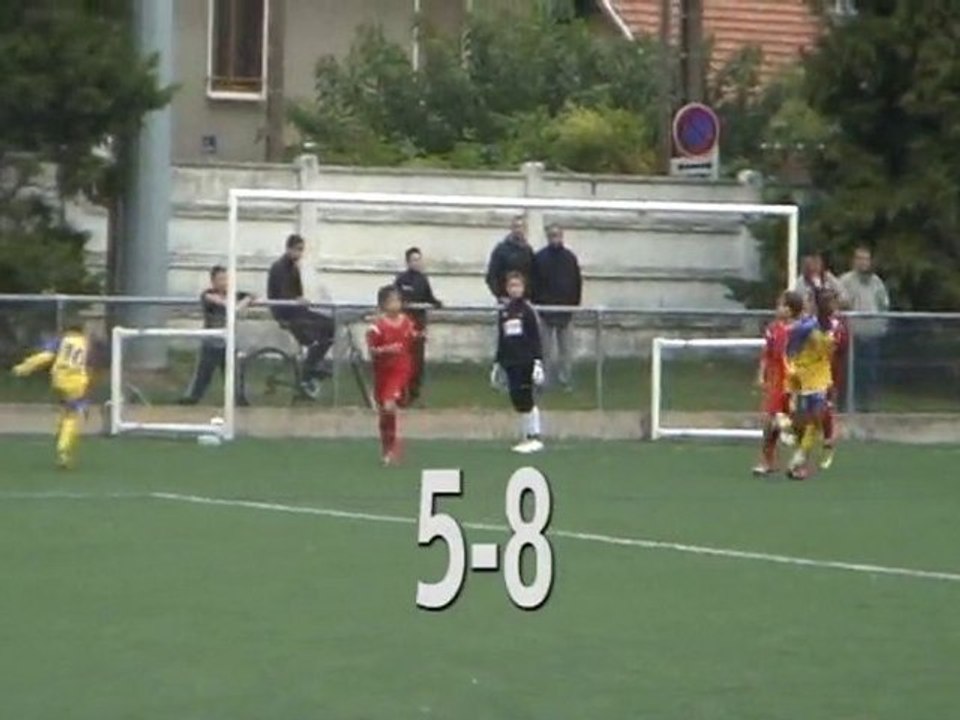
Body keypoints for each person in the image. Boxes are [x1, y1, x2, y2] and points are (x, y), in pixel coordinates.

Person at [10, 324, 92, 468]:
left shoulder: (62, 340)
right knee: (71, 416)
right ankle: (63, 450)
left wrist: (24, 368)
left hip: (59, 378)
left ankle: (63, 434)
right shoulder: (85, 342)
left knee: (67, 411)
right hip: (76, 381)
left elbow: (45, 356)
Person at [267, 234, 335, 394]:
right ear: (289, 249)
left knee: (329, 326)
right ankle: (308, 372)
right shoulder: (279, 267)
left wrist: (301, 299)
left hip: (297, 310)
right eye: (297, 250)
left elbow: (296, 291)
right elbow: (282, 294)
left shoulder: (293, 267)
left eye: (301, 250)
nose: (300, 254)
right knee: (315, 338)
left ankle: (310, 369)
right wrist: (297, 299)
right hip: (286, 313)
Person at [180, 265, 253, 405]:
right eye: (220, 279)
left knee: (233, 375)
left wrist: (246, 299)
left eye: (226, 279)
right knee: (203, 375)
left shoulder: (234, 294)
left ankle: (239, 400)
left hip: (229, 343)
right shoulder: (208, 295)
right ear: (213, 281)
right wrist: (241, 303)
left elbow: (252, 296)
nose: (224, 282)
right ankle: (191, 399)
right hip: (211, 343)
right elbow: (229, 306)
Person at [490, 271, 546, 454]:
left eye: (518, 286)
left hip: (525, 359)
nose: (515, 289)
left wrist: (537, 361)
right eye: (512, 286)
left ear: (523, 288)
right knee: (517, 399)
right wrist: (497, 363)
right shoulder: (505, 312)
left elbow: (535, 337)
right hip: (510, 361)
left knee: (526, 396)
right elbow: (502, 338)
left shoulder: (527, 311)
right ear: (507, 288)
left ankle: (534, 435)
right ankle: (525, 435)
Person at [783, 289, 836, 480]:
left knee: (815, 418)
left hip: (821, 378)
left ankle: (799, 461)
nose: (832, 307)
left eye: (833, 302)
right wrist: (791, 370)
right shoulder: (806, 326)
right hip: (802, 377)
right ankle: (802, 457)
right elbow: (790, 346)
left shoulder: (834, 326)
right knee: (800, 422)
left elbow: (834, 352)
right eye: (828, 302)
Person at [366, 285, 418, 466]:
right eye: (392, 301)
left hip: (400, 368)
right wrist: (385, 349)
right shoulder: (377, 327)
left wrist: (419, 335)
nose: (397, 304)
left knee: (389, 405)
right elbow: (372, 350)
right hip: (382, 371)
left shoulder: (407, 321)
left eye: (398, 300)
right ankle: (387, 448)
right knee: (384, 412)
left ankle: (395, 447)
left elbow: (410, 340)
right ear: (383, 305)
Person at [839, 246, 890, 412]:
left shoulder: (876, 282)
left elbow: (884, 305)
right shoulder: (845, 281)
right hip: (852, 335)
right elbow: (837, 304)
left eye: (866, 259)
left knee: (869, 372)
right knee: (848, 373)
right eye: (860, 259)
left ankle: (866, 407)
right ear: (854, 261)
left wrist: (882, 324)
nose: (863, 262)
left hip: (872, 335)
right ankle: (845, 406)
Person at [532, 224, 582, 390]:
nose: (555, 238)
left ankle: (565, 379)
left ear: (562, 236)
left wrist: (573, 305)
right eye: (552, 235)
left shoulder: (570, 258)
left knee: (566, 349)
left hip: (566, 311)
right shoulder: (539, 257)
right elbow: (534, 283)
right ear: (547, 237)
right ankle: (545, 380)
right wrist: (538, 304)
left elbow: (577, 282)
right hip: (545, 311)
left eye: (557, 235)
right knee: (545, 350)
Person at [394, 247, 443, 404]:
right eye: (414, 259)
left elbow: (429, 298)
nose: (417, 262)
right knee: (402, 359)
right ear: (408, 262)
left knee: (417, 359)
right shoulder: (401, 280)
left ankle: (415, 392)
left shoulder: (423, 279)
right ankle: (400, 393)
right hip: (403, 325)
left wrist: (437, 303)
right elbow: (395, 298)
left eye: (419, 259)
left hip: (418, 324)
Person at [752, 292, 792, 476]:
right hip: (776, 381)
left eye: (783, 305)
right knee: (770, 421)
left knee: (798, 422)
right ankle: (767, 460)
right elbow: (766, 354)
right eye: (778, 305)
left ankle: (799, 462)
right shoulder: (773, 329)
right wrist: (761, 375)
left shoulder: (798, 329)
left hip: (794, 381)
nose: (779, 309)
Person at [485, 215, 535, 301]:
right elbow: (491, 276)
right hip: (505, 300)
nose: (518, 230)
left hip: (524, 300)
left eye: (521, 227)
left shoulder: (528, 251)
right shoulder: (500, 250)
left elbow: (533, 275)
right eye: (516, 227)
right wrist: (500, 295)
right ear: (511, 229)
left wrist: (529, 294)